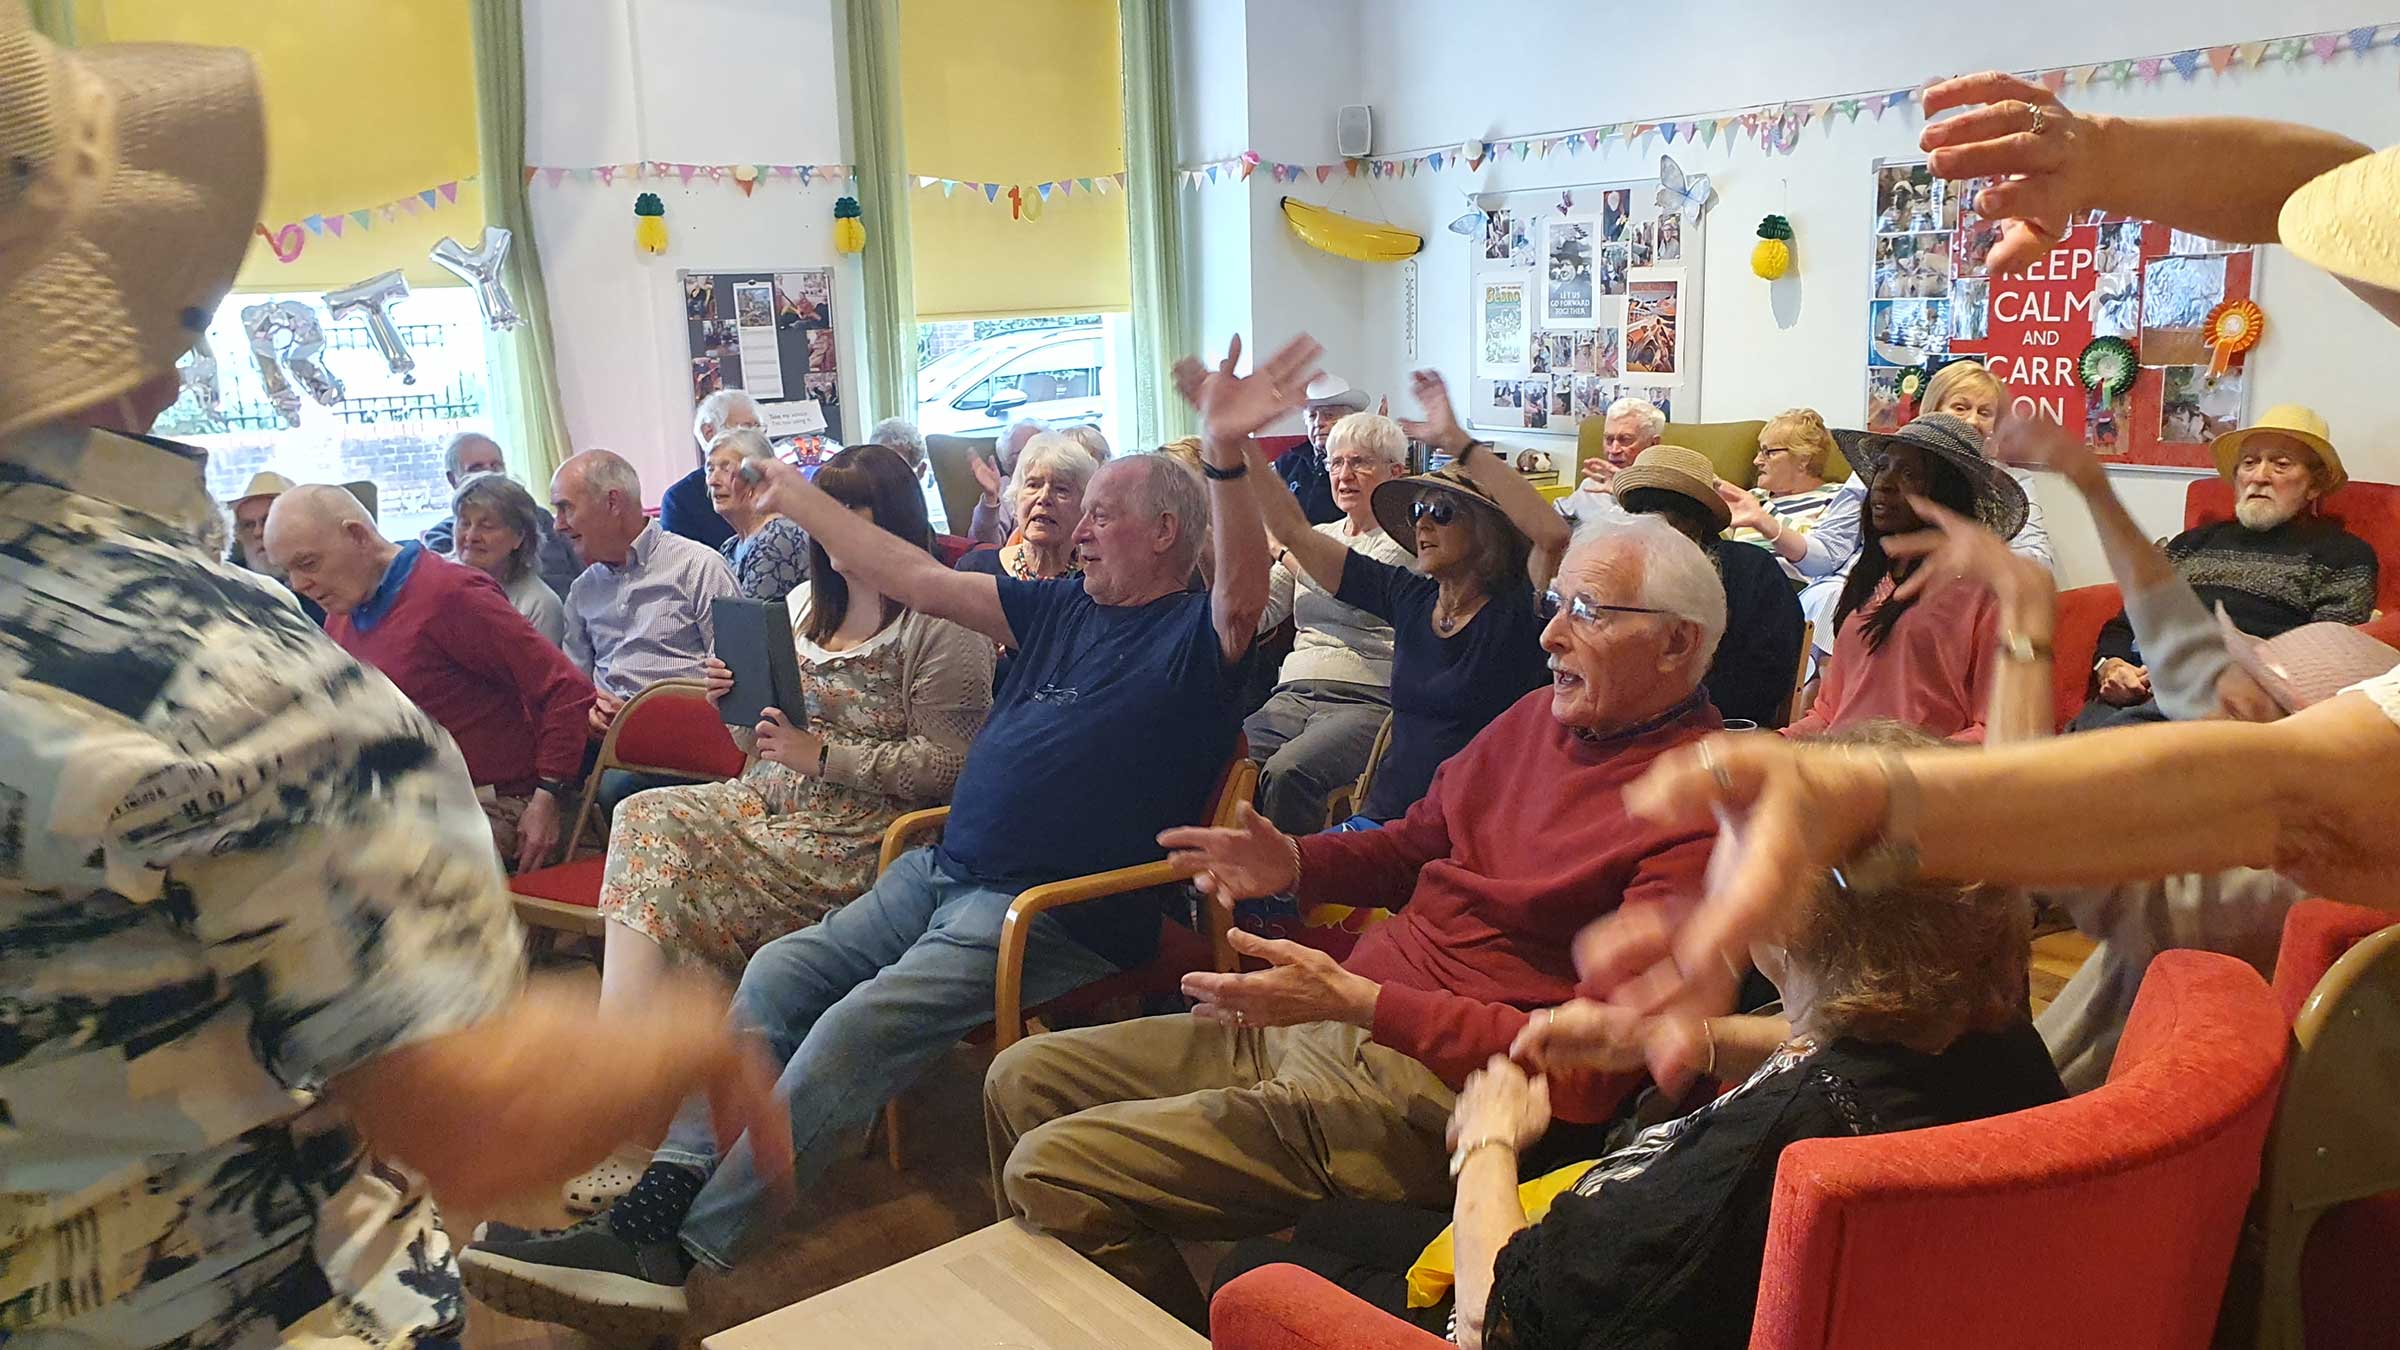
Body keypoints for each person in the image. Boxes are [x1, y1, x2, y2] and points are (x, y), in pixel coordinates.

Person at [0, 14, 782, 1346]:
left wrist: (551, 789)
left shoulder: (435, 607)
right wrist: (684, 1034)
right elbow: (471, 1121)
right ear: (135, 348)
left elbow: (558, 691)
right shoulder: (230, 673)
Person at [462, 334, 1300, 1340]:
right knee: (778, 973)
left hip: (1049, 911)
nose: (1077, 530)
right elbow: (904, 566)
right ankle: (654, 1204)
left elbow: (1241, 592)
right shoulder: (1057, 608)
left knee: (854, 1028)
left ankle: (678, 1253)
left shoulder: (1199, 640)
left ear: (1165, 532)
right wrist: (790, 491)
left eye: (1102, 515)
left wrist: (1225, 452)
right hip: (941, 870)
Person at [1571, 92, 2400, 1033]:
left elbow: (2284, 788)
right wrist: (2103, 157)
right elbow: (2341, 187)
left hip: (2123, 763)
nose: (1889, 493)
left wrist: (1881, 787)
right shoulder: (1879, 591)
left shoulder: (2321, 587)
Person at [985, 518, 1733, 1330]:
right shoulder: (1537, 719)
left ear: (1677, 644)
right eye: (1554, 603)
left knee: (1049, 1170)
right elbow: (1413, 845)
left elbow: (1590, 1078)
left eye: (1588, 611)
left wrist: (1367, 1003)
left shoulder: (1701, 813)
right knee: (1020, 1079)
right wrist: (1294, 862)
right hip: (1338, 1016)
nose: (1550, 634)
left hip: (1432, 1096)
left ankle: (1216, 1333)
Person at [1214, 729, 2060, 1349]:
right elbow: (1830, 1048)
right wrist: (1672, 1035)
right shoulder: (1981, 1033)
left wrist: (1487, 1145)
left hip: (1537, 1304)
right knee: (1332, 1223)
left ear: (1796, 915)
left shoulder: (1755, 1162)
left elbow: (1496, 1321)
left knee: (1252, 1271)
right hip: (1662, 1276)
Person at [568, 445, 992, 1211]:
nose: (833, 529)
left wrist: (823, 755)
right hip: (768, 804)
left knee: (667, 862)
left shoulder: (941, 621)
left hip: (866, 837)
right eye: (825, 512)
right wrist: (730, 701)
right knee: (643, 815)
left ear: (892, 523)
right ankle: (625, 1079)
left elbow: (954, 768)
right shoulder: (801, 604)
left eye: (852, 513)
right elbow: (753, 744)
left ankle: (638, 1111)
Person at [1245, 368, 1563, 825]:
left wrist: (1459, 443)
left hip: (1466, 826)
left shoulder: (1513, 610)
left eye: (1443, 511)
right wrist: (1238, 444)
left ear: (1486, 531)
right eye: (1417, 510)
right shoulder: (1409, 595)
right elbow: (1294, 532)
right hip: (1386, 823)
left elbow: (1551, 535)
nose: (1423, 522)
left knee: (1289, 783)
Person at [265, 482, 595, 870]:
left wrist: (548, 796)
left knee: (366, 874)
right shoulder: (343, 614)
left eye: (308, 564)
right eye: (287, 572)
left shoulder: (452, 594)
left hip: (496, 803)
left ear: (357, 535)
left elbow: (567, 690)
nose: (299, 585)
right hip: (410, 807)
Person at [2074, 404, 2375, 728]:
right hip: (2139, 691)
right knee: (2078, 741)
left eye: (2281, 464)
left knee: (2096, 748)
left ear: (2314, 485)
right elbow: (2126, 623)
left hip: (2229, 706)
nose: (2259, 477)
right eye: (2249, 463)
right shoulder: (2190, 543)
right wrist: (2112, 667)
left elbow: (2325, 660)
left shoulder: (2343, 555)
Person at [1784, 414, 2029, 741]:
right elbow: (1829, 713)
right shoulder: (1870, 579)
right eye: (1882, 467)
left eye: (1909, 474)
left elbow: (1994, 730)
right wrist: (1776, 742)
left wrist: (1909, 758)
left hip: (1922, 770)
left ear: (1947, 493)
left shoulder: (1985, 593)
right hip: (1842, 762)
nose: (1883, 483)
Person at [1243, 410, 1414, 833]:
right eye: (1336, 463)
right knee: (1225, 760)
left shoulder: (1408, 541)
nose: (1344, 475)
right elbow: (1261, 611)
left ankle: (1289, 875)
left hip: (1368, 701)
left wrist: (1283, 550)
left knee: (1288, 772)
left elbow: (1351, 594)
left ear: (1395, 472)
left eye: (1360, 462)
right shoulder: (1319, 536)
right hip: (1292, 692)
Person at [1608, 445, 1805, 726]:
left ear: (1695, 520)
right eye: (1641, 513)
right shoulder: (1611, 568)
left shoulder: (1750, 569)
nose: (1651, 525)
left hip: (1714, 728)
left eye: (1664, 512)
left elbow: (1766, 676)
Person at [551, 448, 741, 735]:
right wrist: (589, 710)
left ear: (613, 502)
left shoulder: (698, 567)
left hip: (689, 743)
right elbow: (575, 688)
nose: (558, 525)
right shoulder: (583, 590)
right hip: (608, 746)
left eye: (566, 508)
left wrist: (643, 720)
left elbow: (739, 685)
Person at [953, 432, 1100, 691]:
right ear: (1016, 497)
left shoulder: (1095, 583)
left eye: (1062, 489)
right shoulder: (976, 571)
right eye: (1032, 485)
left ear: (1084, 509)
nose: (1044, 498)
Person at [421, 431, 583, 600]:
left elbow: (564, 582)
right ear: (452, 479)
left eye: (496, 466)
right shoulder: (441, 536)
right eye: (477, 468)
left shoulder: (537, 518)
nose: (490, 475)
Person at [1716, 408, 1848, 582]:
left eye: (1769, 452)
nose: (1757, 461)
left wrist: (1761, 516)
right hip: (1737, 584)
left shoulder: (1837, 497)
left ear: (1804, 458)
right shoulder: (1752, 497)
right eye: (1759, 451)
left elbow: (1819, 555)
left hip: (1794, 588)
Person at [451, 470, 569, 644]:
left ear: (519, 536)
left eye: (487, 526)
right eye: (464, 523)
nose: (471, 536)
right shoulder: (439, 582)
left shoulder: (539, 605)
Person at [706, 425, 813, 603]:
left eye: (726, 469)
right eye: (710, 469)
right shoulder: (729, 547)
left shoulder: (778, 537)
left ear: (755, 475)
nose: (712, 481)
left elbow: (746, 617)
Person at [663, 388, 763, 549]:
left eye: (758, 428)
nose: (756, 436)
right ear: (709, 432)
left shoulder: (775, 480)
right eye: (746, 427)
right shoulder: (680, 499)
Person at [1274, 374, 1371, 525]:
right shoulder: (1288, 462)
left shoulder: (1364, 464)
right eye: (1312, 416)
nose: (1318, 423)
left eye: (1329, 415)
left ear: (1348, 422)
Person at [1554, 395, 1664, 528]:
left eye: (1625, 440)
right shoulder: (1592, 486)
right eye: (1609, 440)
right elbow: (1551, 521)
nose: (1614, 450)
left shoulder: (1667, 493)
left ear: (1652, 444)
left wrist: (1625, 494)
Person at [965, 415, 1052, 544]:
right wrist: (990, 499)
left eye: (1040, 449)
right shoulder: (1006, 488)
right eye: (1024, 452)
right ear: (1009, 461)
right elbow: (984, 544)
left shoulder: (1068, 483)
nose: (1034, 457)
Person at [866, 414, 947, 533]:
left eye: (898, 464)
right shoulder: (862, 502)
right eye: (881, 460)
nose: (888, 471)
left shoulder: (915, 514)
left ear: (919, 473)